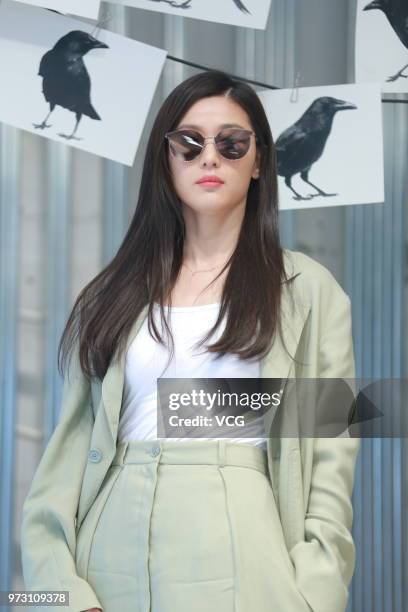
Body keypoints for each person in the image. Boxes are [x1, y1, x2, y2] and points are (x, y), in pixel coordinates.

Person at [21, 70, 360, 612]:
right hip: (108, 549)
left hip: (246, 541)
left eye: (232, 143)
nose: (210, 158)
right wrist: (54, 594)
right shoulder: (109, 295)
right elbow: (65, 458)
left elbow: (331, 454)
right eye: (189, 142)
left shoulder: (308, 291)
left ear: (259, 162)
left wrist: (317, 592)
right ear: (166, 159)